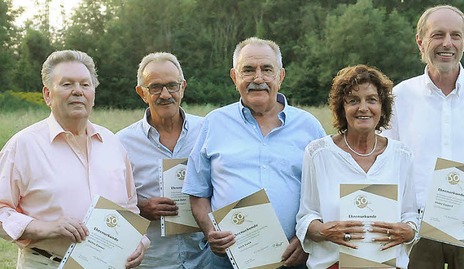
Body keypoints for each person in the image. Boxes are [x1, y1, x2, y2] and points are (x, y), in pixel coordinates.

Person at [381, 5, 464, 269]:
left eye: (455, 35)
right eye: (438, 35)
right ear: (421, 42)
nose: (447, 43)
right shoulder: (398, 97)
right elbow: (384, 164)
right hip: (416, 230)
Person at [183, 37, 326, 268]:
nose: (257, 78)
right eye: (248, 70)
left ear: (280, 76)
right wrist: (210, 231)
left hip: (293, 258)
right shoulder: (214, 123)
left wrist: (306, 239)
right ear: (234, 77)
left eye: (267, 69)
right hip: (227, 260)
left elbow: (325, 195)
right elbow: (198, 192)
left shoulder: (309, 126)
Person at [0, 50, 147, 269]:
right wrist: (46, 227)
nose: (78, 91)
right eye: (67, 84)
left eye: (85, 85)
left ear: (93, 95)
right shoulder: (23, 146)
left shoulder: (112, 144)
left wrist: (140, 242)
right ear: (48, 95)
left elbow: (129, 208)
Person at [296, 65, 419, 269]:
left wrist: (409, 232)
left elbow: (410, 215)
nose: (363, 108)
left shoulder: (402, 155)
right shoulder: (318, 153)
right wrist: (325, 231)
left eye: (371, 100)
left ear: (383, 107)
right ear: (341, 108)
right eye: (353, 100)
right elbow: (306, 217)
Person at [117, 52, 213, 268]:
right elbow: (110, 207)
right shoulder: (121, 143)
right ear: (142, 93)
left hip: (204, 260)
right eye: (155, 87)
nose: (165, 94)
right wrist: (141, 209)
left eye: (172, 85)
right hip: (153, 261)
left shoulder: (208, 131)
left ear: (183, 87)